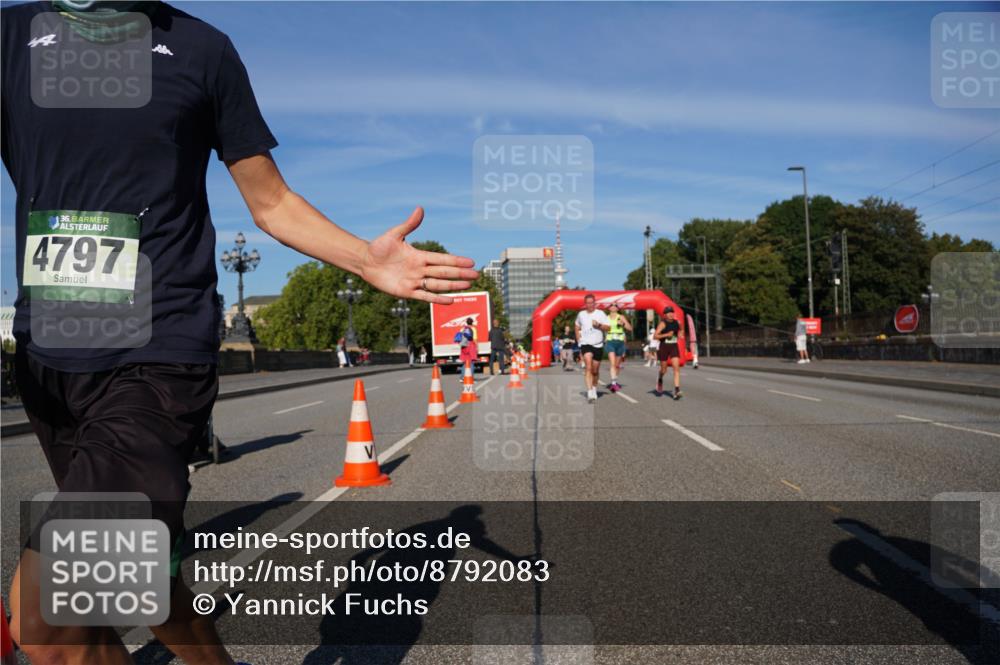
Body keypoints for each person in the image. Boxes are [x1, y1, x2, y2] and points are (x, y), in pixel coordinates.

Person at [2, 3, 477, 664]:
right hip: (49, 354)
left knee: (46, 614)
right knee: (129, 579)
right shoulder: (11, 36)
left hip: (156, 355)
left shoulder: (199, 49)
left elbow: (271, 201)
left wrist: (365, 259)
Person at [575, 294, 610, 403]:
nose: (590, 305)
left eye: (592, 303)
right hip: (586, 344)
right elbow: (576, 326)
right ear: (585, 304)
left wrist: (599, 325)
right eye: (588, 303)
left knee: (595, 370)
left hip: (598, 344)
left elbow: (608, 327)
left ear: (595, 303)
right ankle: (590, 391)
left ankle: (594, 387)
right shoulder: (581, 314)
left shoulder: (600, 314)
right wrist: (579, 340)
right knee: (588, 366)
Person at [654, 306, 683, 400]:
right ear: (665, 315)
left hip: (674, 346)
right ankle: (660, 379)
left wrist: (680, 334)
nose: (670, 314)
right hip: (664, 347)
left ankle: (677, 390)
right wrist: (666, 334)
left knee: (676, 368)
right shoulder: (663, 323)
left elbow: (681, 329)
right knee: (664, 370)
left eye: (671, 312)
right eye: (668, 313)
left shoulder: (677, 322)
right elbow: (655, 336)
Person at [604, 302, 632, 393]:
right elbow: (602, 328)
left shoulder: (621, 317)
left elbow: (630, 328)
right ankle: (613, 383)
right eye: (611, 305)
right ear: (609, 308)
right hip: (610, 341)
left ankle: (615, 381)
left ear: (617, 308)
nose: (613, 307)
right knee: (612, 364)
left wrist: (623, 324)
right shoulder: (606, 318)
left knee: (617, 365)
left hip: (620, 342)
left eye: (615, 305)